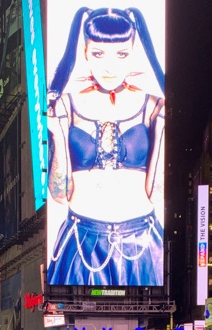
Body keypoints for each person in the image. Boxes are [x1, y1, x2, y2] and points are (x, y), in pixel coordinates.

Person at [46, 7, 165, 286]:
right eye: (99, 54)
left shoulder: (151, 106)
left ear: (133, 50)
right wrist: (57, 132)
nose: (109, 67)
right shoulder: (66, 104)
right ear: (86, 51)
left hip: (143, 241)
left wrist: (161, 127)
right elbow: (60, 194)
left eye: (121, 54)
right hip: (81, 239)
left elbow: (154, 192)